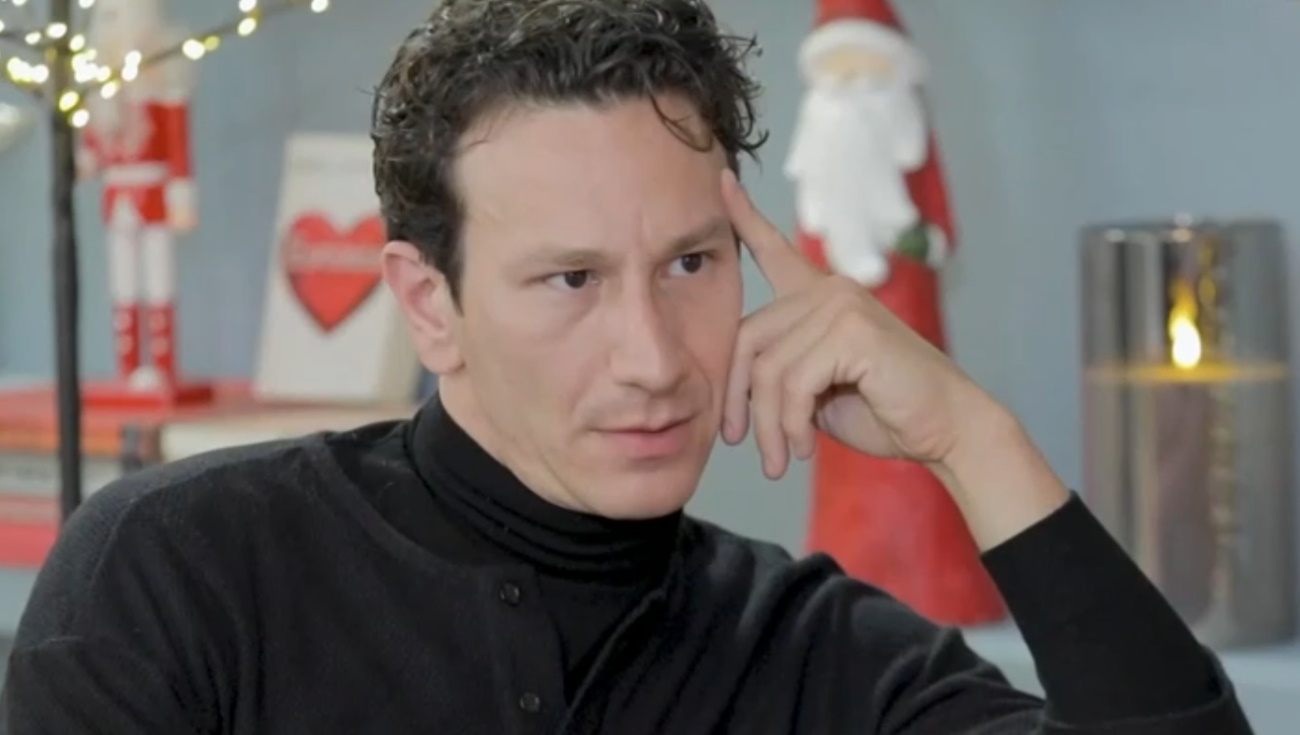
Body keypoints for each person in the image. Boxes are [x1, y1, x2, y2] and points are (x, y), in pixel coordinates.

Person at [0, 1, 1253, 733]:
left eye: (692, 264)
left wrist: (973, 441)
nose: (654, 359)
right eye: (571, 280)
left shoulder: (820, 654)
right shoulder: (176, 571)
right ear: (429, 305)